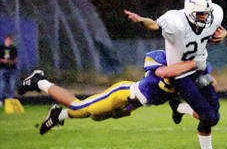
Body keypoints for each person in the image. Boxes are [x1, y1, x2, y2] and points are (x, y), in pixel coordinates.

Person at [124, 0, 227, 149]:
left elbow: (217, 30)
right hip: (181, 74)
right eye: (201, 14)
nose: (205, 17)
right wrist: (141, 20)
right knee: (207, 116)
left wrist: (225, 34)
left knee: (214, 115)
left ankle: (179, 108)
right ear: (190, 12)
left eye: (207, 13)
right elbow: (155, 25)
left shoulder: (213, 16)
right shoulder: (176, 22)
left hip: (199, 70)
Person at [18, 50, 205, 135]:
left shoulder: (184, 80)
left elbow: (183, 106)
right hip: (123, 94)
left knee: (95, 116)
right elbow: (163, 72)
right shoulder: (161, 58)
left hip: (130, 107)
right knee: (79, 107)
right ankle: (39, 81)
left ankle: (59, 115)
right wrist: (191, 64)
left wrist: (206, 116)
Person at [0, 36, 18, 106]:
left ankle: (10, 100)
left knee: (12, 85)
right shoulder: (1, 48)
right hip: (3, 69)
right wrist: (4, 61)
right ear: (5, 41)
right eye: (7, 40)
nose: (8, 42)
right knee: (2, 85)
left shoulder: (13, 48)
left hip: (12, 69)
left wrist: (12, 61)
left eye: (9, 40)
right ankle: (1, 100)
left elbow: (16, 59)